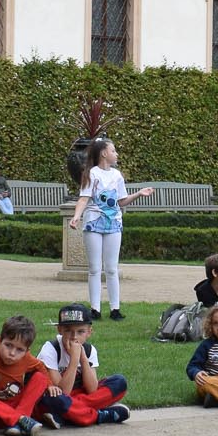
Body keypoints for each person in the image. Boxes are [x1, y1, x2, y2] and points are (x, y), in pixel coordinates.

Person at [67, 137, 155, 321]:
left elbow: (121, 201)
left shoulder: (117, 175)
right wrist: (76, 216)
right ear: (103, 154)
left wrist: (138, 194)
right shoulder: (91, 173)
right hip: (93, 222)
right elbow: (84, 198)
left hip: (114, 222)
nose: (116, 154)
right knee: (94, 268)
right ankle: (95, 309)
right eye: (113, 151)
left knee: (112, 268)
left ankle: (115, 309)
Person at [35, 304, 131, 427]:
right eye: (68, 331)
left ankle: (67, 414)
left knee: (119, 382)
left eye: (80, 331)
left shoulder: (90, 350)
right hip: (57, 397)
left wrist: (83, 358)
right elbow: (63, 391)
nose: (74, 337)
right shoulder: (50, 349)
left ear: (89, 332)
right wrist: (74, 359)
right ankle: (99, 415)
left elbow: (92, 389)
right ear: (59, 330)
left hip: (77, 397)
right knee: (56, 400)